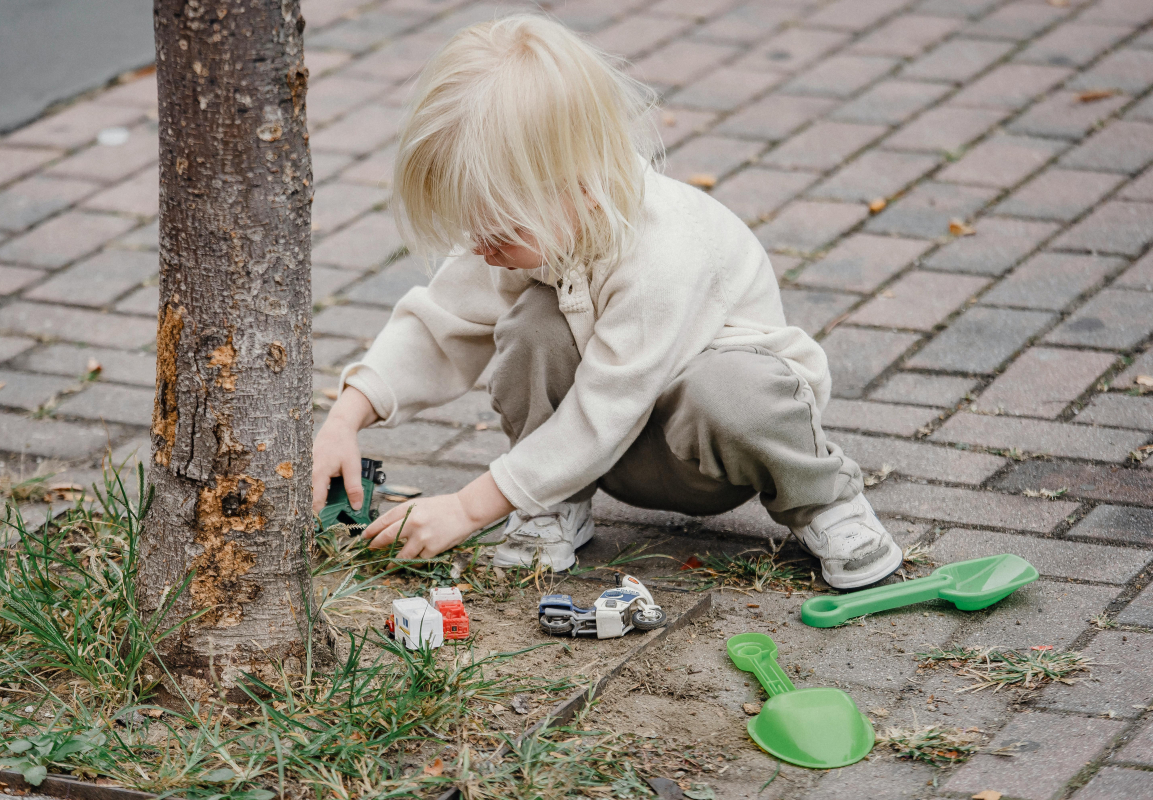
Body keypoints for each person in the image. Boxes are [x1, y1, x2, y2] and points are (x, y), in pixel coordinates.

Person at [311, 14, 902, 589]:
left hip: (708, 454)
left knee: (729, 390)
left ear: (581, 188)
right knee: (533, 328)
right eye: (474, 230)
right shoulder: (529, 231)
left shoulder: (666, 248)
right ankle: (554, 504)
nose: (483, 249)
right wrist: (345, 418)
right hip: (607, 456)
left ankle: (825, 501)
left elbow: (607, 408)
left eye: (499, 231)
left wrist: (469, 509)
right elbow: (439, 325)